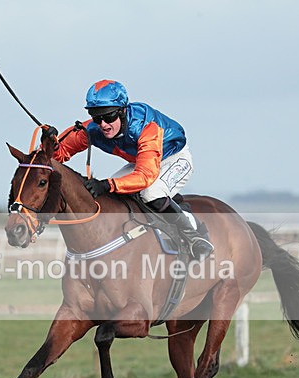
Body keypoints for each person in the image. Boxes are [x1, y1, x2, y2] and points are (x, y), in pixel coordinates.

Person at [41, 79, 214, 260]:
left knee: (151, 193)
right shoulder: (92, 129)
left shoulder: (146, 127)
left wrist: (107, 184)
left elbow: (145, 176)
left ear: (122, 111)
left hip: (174, 157)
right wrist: (49, 143)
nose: (103, 124)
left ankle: (194, 237)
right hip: (142, 160)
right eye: (97, 117)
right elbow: (56, 156)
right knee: (113, 195)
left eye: (109, 117)